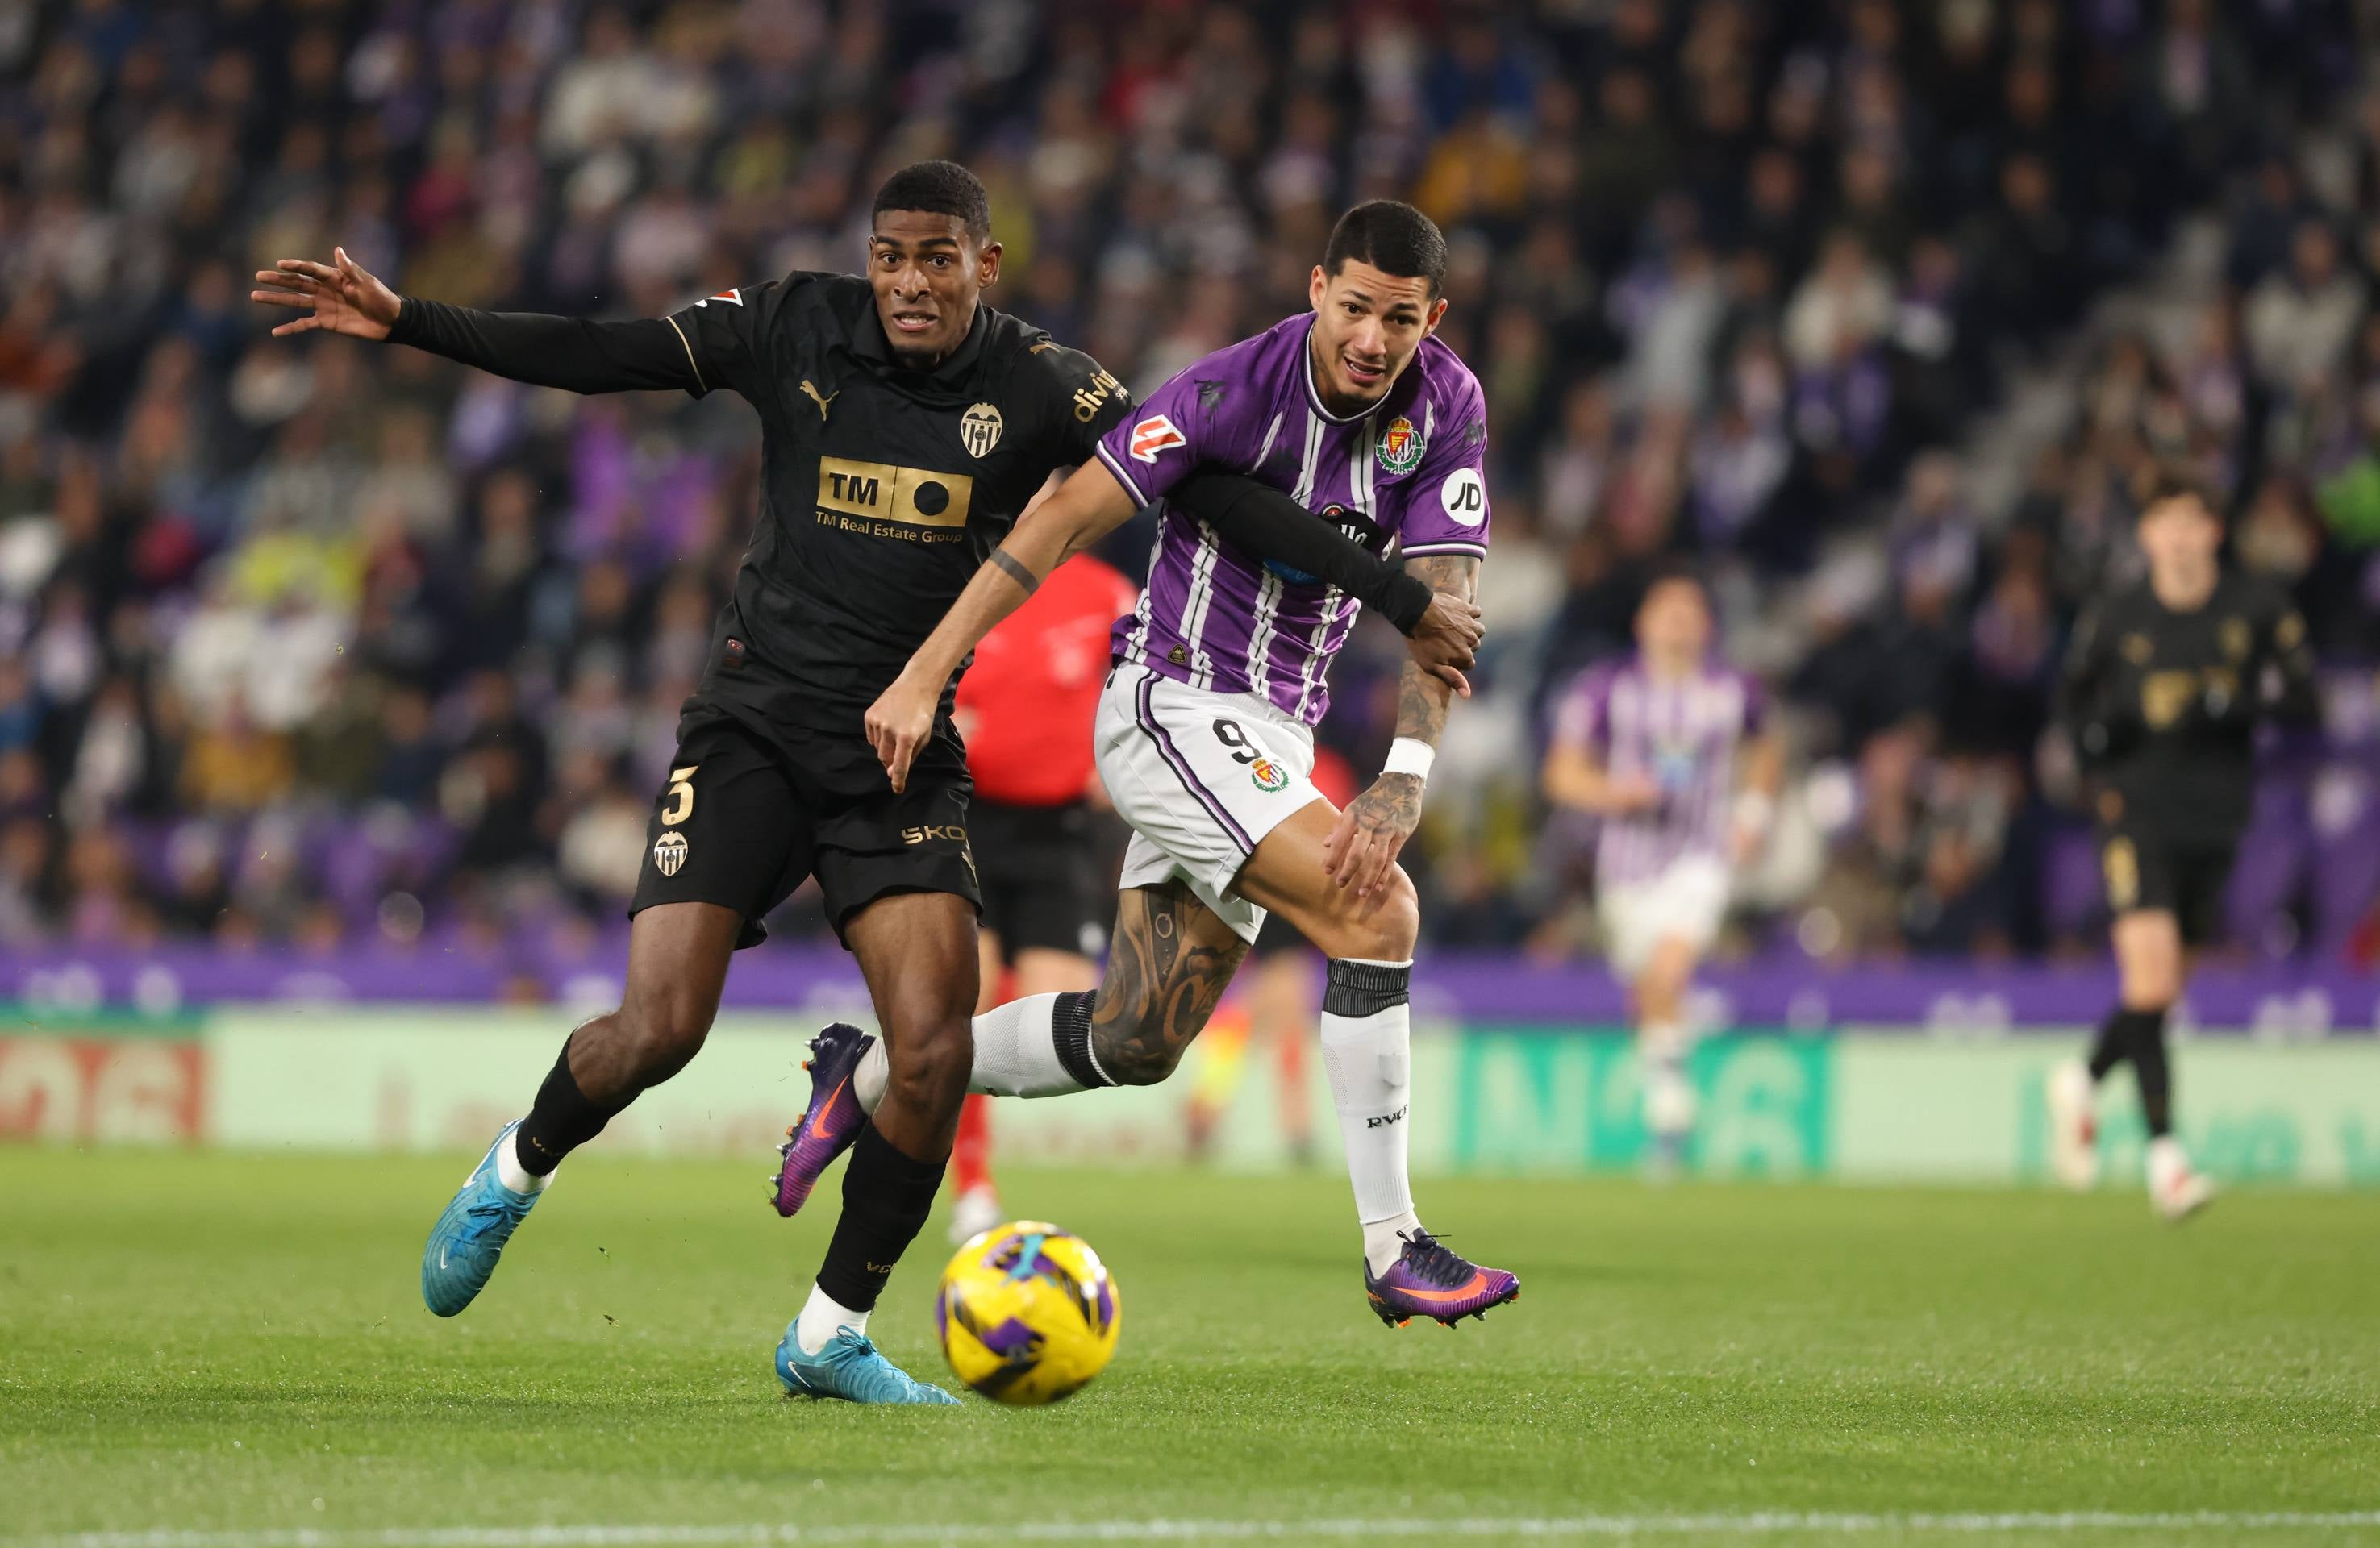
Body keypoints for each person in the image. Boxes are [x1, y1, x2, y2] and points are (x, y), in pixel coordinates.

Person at [255, 162, 1480, 1404]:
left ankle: (829, 1332)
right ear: (866, 259)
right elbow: (601, 351)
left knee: (936, 1048)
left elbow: (1211, 489)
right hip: (752, 727)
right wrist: (411, 319)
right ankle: (517, 1169)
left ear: (981, 269)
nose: (907, 280)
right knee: (659, 1030)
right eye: (889, 256)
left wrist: (1389, 598)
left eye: (935, 259)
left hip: (899, 752)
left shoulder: (1044, 383)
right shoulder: (791, 321)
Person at [775, 201, 1521, 1329]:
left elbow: (1443, 612)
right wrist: (931, 668)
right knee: (1379, 911)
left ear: (1434, 317)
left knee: (1135, 1036)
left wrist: (1405, 770)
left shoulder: (1447, 405)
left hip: (1266, 736)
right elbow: (1058, 519)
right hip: (1170, 702)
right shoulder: (1224, 392)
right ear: (1317, 288)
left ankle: (869, 1072)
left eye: (1400, 319)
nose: (1372, 339)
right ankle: (1392, 1244)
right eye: (1355, 309)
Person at [2047, 469, 2320, 1219]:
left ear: (2212, 533)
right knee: (2152, 980)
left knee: (2159, 995)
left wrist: (2235, 702)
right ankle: (2166, 1160)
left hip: (2216, 818)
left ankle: (2082, 1077)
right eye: (2162, 521)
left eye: (2191, 520)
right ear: (2146, 535)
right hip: (2135, 815)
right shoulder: (2116, 615)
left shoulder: (2253, 607)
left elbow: (2306, 699)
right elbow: (2071, 702)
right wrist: (2098, 759)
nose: (2177, 535)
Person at [1540, 568, 1780, 1173]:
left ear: (1706, 625)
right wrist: (1614, 793)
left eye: (1689, 611)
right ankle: (1667, 1086)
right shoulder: (1604, 690)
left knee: (1668, 970)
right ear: (1642, 623)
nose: (1677, 623)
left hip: (1700, 856)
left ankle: (1670, 1114)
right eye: (1665, 610)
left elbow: (1768, 746)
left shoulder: (1732, 690)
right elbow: (1561, 773)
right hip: (1624, 868)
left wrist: (1751, 812)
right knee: (1648, 987)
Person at [940, 540, 1139, 1242]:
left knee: (1070, 1017)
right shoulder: (965, 578)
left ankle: (881, 1081)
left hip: (1061, 834)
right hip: (970, 820)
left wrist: (1123, 759)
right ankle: (973, 1185)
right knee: (963, 999)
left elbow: (1150, 682)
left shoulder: (1106, 593)